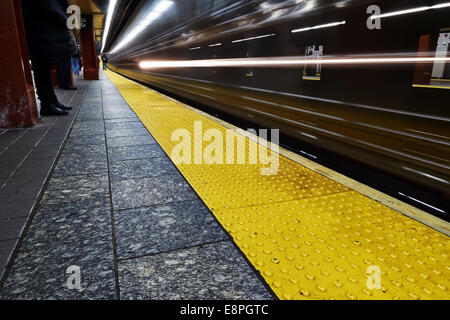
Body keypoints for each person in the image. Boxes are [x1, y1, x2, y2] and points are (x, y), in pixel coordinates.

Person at [21, 0, 76, 116]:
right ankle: (47, 105)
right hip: (39, 31)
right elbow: (50, 6)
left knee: (43, 68)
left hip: (41, 31)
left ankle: (52, 101)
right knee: (41, 68)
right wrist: (66, 19)